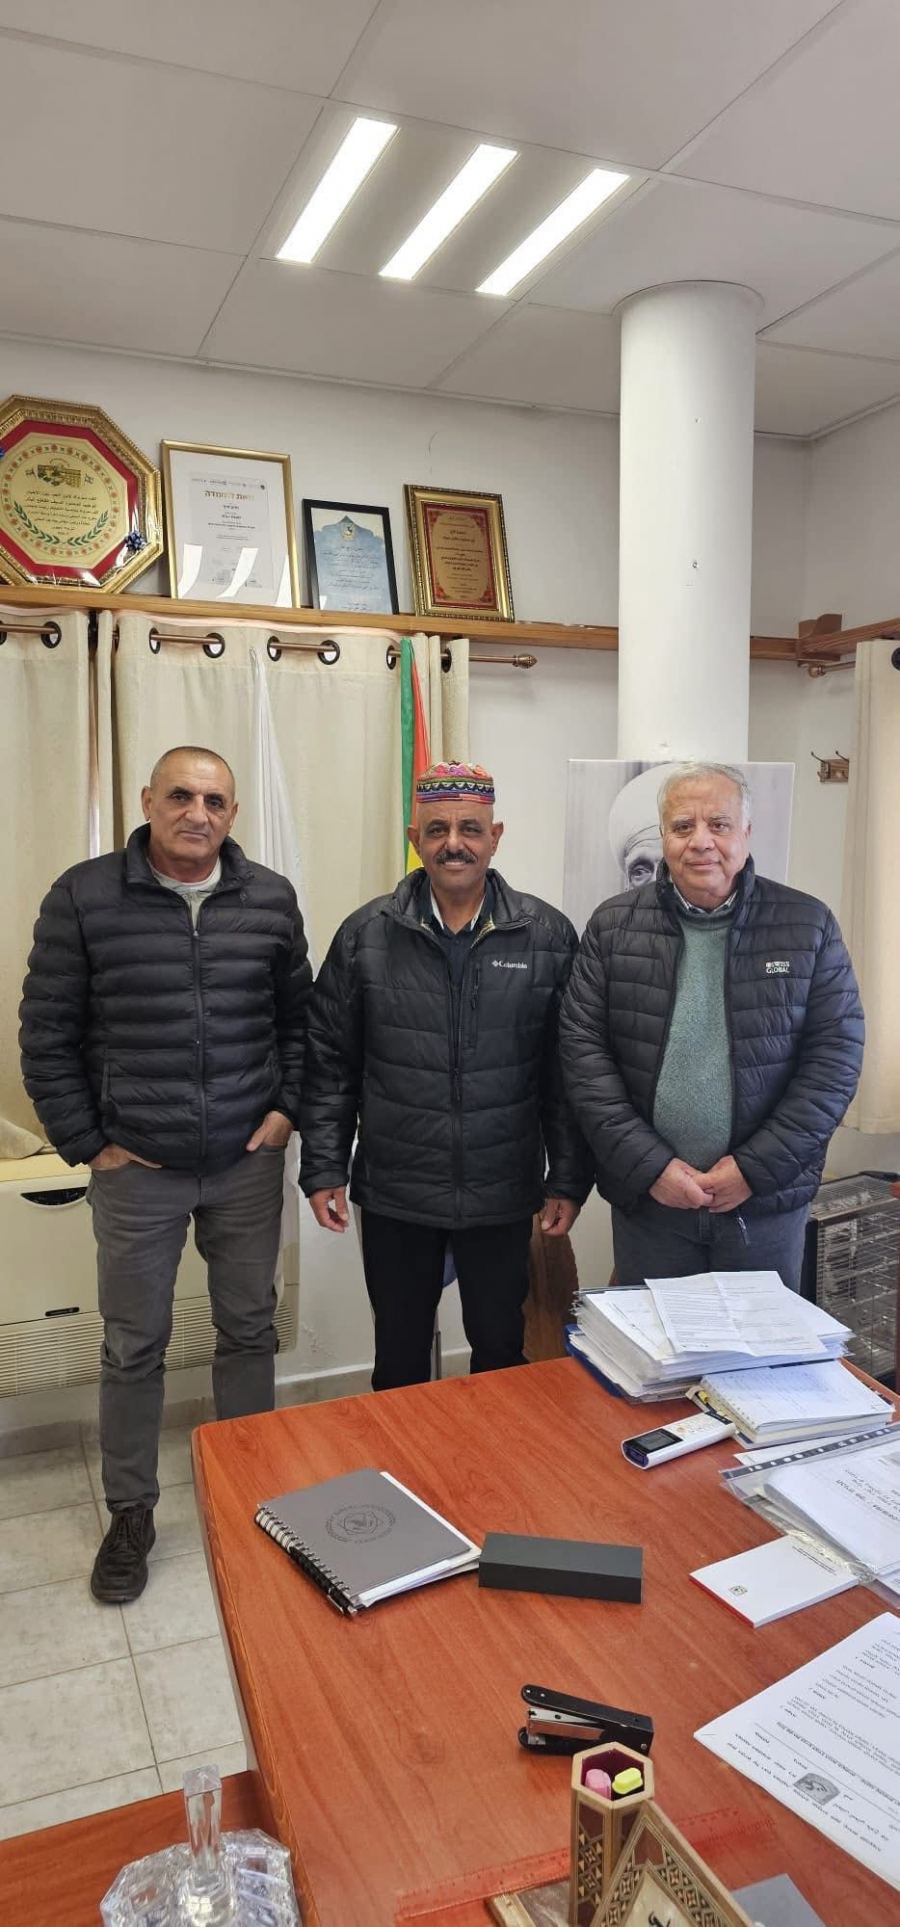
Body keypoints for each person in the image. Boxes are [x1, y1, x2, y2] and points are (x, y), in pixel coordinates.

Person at [20, 746, 311, 1604]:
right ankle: (132, 1513)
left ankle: (249, 1489)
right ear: (147, 800)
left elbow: (301, 1022)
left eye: (214, 800)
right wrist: (89, 1142)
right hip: (137, 1170)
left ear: (233, 813)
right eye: (180, 795)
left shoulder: (270, 899)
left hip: (245, 1163)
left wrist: (285, 1110)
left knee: (249, 1329)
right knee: (133, 1343)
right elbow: (45, 1034)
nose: (197, 812)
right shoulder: (85, 896)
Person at [299, 761, 590, 1388]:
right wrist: (323, 1167)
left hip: (502, 1189)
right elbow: (330, 1064)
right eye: (437, 829)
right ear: (415, 838)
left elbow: (565, 1076)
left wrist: (567, 1176)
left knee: (500, 1355)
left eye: (470, 828)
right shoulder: (366, 936)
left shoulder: (545, 936)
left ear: (495, 836)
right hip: (397, 1190)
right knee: (399, 1361)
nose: (453, 843)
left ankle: (491, 1456)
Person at [559, 761, 864, 1291]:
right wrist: (651, 1167)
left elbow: (835, 1060)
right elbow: (583, 1057)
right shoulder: (611, 928)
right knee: (654, 1343)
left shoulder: (807, 925)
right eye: (683, 826)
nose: (701, 841)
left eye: (718, 824)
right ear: (665, 837)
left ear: (746, 832)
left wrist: (753, 1169)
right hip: (652, 1207)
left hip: (764, 1206)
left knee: (759, 1345)